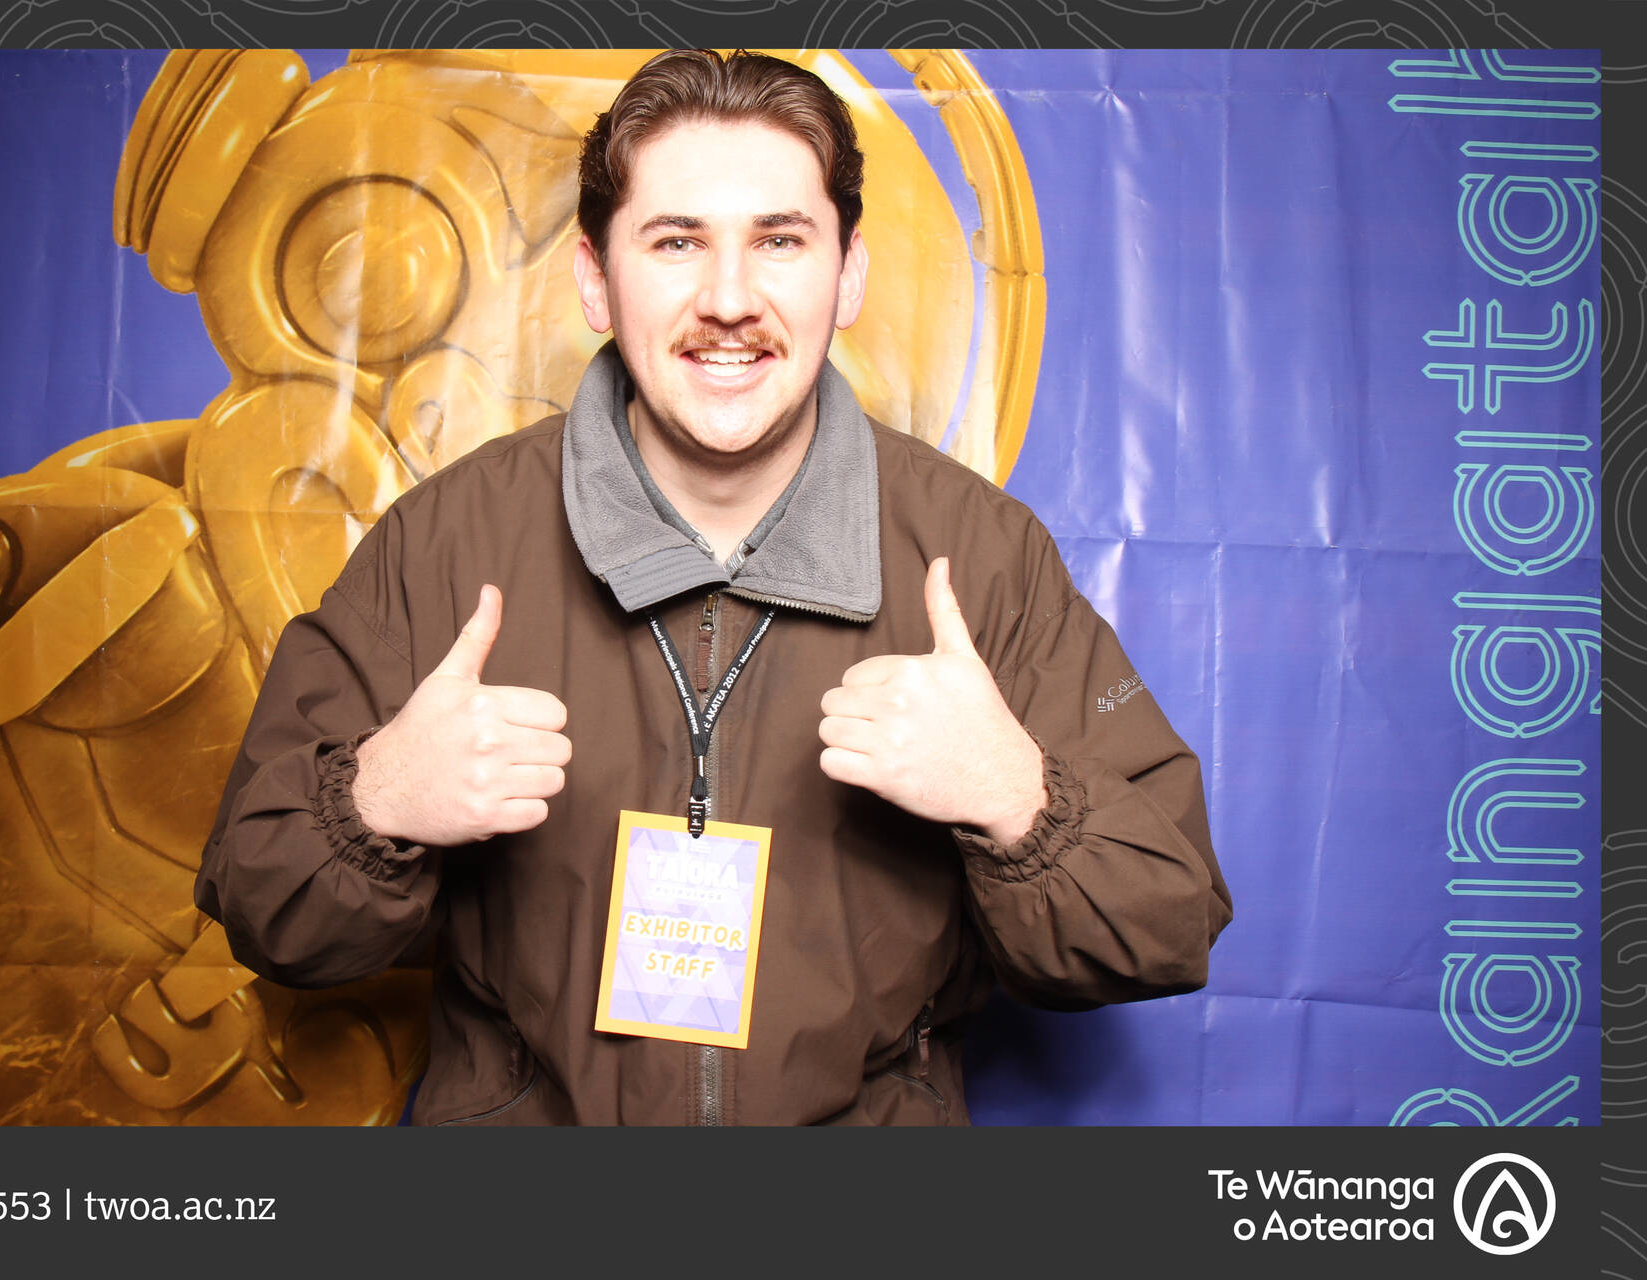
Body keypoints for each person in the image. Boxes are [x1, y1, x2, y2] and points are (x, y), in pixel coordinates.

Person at [195, 49, 1232, 1125]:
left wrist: (1018, 798)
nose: (729, 300)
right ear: (596, 279)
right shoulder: (449, 541)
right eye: (676, 241)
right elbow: (262, 907)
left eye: (779, 241)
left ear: (849, 274)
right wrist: (375, 805)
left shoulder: (980, 555)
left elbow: (1166, 923)